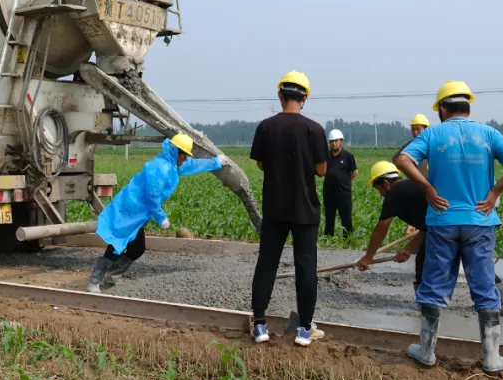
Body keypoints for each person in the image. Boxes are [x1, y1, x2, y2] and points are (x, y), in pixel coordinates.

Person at [393, 80, 503, 373]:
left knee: (434, 284)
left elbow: (402, 160)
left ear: (442, 109)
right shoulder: (487, 133)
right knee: (484, 284)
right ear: (467, 106)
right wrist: (495, 192)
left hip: (442, 220)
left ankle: (426, 351)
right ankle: (491, 358)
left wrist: (428, 189)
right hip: (479, 221)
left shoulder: (433, 134)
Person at [356, 161, 503, 317]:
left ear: (385, 184)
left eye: (378, 189)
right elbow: (427, 226)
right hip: (459, 223)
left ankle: (427, 308)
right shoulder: (412, 187)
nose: (380, 194)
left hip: (447, 228)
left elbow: (381, 228)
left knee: (431, 265)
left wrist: (368, 257)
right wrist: (409, 249)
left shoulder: (395, 193)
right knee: (478, 264)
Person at [249, 70, 328, 347]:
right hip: (305, 209)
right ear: (304, 98)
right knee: (306, 267)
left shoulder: (266, 127)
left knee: (267, 263)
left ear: (280, 95)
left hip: (275, 207)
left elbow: (261, 163)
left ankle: (259, 324)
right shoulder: (314, 129)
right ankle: (304, 330)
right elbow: (321, 170)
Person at [87, 133, 225, 293]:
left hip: (138, 213)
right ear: (177, 153)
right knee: (118, 243)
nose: (186, 159)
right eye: (185, 156)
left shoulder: (171, 164)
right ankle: (94, 281)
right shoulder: (161, 168)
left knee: (137, 248)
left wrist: (216, 162)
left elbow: (192, 165)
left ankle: (110, 279)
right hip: (129, 210)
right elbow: (152, 196)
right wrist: (161, 218)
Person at [322, 129, 358, 238]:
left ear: (341, 141)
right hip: (329, 194)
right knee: (329, 220)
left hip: (344, 194)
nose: (334, 143)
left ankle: (348, 240)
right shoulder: (326, 156)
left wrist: (345, 181)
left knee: (346, 220)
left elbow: (355, 172)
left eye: (336, 141)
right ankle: (328, 239)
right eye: (331, 141)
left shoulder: (348, 156)